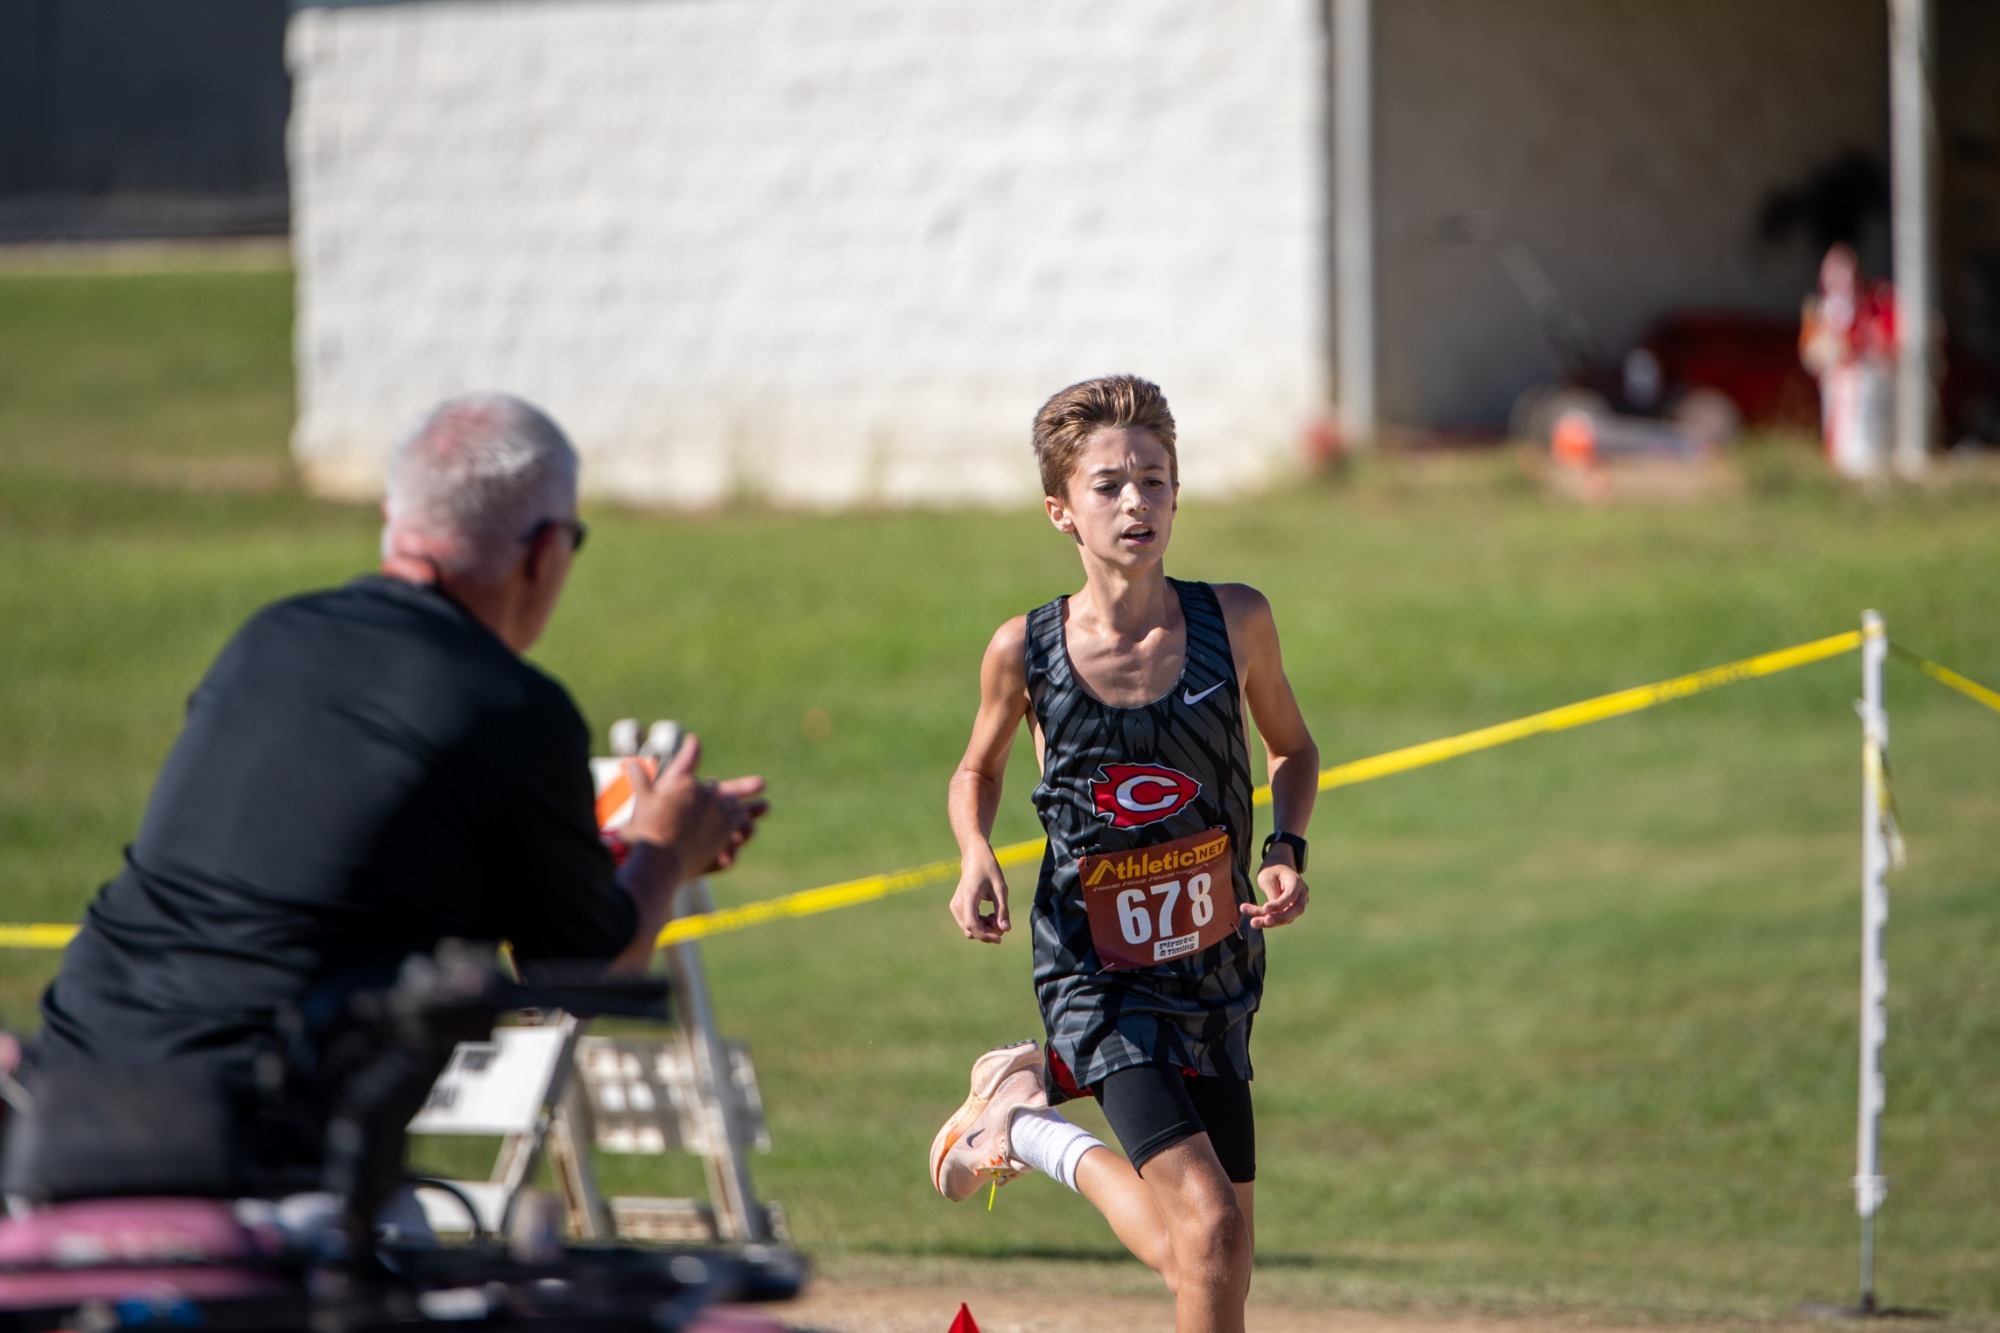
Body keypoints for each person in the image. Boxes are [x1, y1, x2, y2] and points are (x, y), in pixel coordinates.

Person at [27, 393, 764, 1176]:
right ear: (544, 551)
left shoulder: (268, 639)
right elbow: (587, 973)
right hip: (245, 1132)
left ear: (394, 518)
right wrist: (662, 847)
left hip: (63, 1087)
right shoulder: (512, 706)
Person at [931, 376, 1319, 1333]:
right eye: (1109, 485)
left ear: (1178, 493)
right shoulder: (1027, 650)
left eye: (1154, 479)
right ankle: (1034, 1097)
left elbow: (1293, 749)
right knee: (1213, 1230)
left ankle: (1024, 1121)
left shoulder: (1235, 622)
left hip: (1215, 963)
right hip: (1095, 972)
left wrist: (1284, 849)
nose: (1136, 502)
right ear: (1062, 509)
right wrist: (974, 852)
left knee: (1210, 1258)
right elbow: (974, 771)